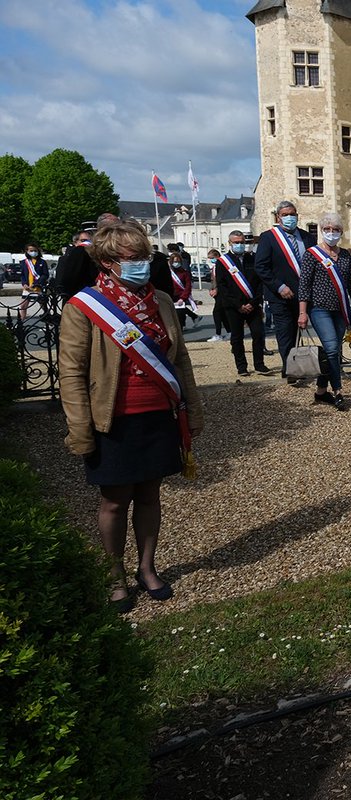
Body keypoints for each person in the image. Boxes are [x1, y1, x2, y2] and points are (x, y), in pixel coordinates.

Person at [57, 220, 204, 612]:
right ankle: (114, 573)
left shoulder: (161, 301)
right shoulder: (83, 307)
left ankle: (147, 567)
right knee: (114, 501)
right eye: (131, 258)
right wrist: (80, 429)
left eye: (144, 256)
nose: (140, 264)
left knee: (150, 495)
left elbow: (182, 360)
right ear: (107, 263)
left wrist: (193, 410)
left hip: (158, 413)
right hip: (113, 419)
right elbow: (71, 373)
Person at [298, 212, 351, 410]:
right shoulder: (312, 254)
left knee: (331, 351)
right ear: (321, 231)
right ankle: (338, 391)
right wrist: (302, 312)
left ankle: (320, 392)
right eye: (327, 229)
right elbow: (304, 285)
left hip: (340, 310)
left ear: (341, 232)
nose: (331, 233)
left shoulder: (345, 255)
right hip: (319, 309)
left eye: (335, 230)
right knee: (332, 348)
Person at [254, 200, 315, 382]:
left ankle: (301, 364)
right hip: (280, 295)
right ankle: (289, 369)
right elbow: (261, 267)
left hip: (304, 295)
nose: (290, 217)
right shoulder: (268, 237)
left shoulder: (307, 237)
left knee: (299, 330)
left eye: (293, 214)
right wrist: (279, 286)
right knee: (285, 332)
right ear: (278, 217)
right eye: (285, 214)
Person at [214, 232, 270, 377]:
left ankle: (259, 364)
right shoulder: (223, 262)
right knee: (237, 337)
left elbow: (259, 283)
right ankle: (242, 367)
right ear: (230, 243)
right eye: (236, 242)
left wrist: (253, 302)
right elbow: (222, 286)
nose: (239, 244)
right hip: (233, 306)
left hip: (253, 304)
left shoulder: (252, 259)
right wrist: (238, 305)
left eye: (242, 242)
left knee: (258, 333)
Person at [16, 243, 50, 322]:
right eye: (31, 250)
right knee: (23, 306)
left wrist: (36, 283)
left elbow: (45, 275)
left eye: (35, 250)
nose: (33, 252)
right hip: (27, 288)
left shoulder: (42, 262)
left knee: (43, 306)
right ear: (27, 251)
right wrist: (24, 284)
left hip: (38, 288)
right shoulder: (24, 262)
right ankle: (21, 322)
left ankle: (49, 321)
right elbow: (23, 275)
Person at [169, 254, 200, 328]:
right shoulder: (168, 272)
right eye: (175, 261)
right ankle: (193, 317)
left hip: (181, 296)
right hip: (171, 296)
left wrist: (183, 298)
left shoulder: (184, 272)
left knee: (180, 313)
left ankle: (183, 325)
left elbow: (188, 286)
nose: (176, 263)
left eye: (178, 261)